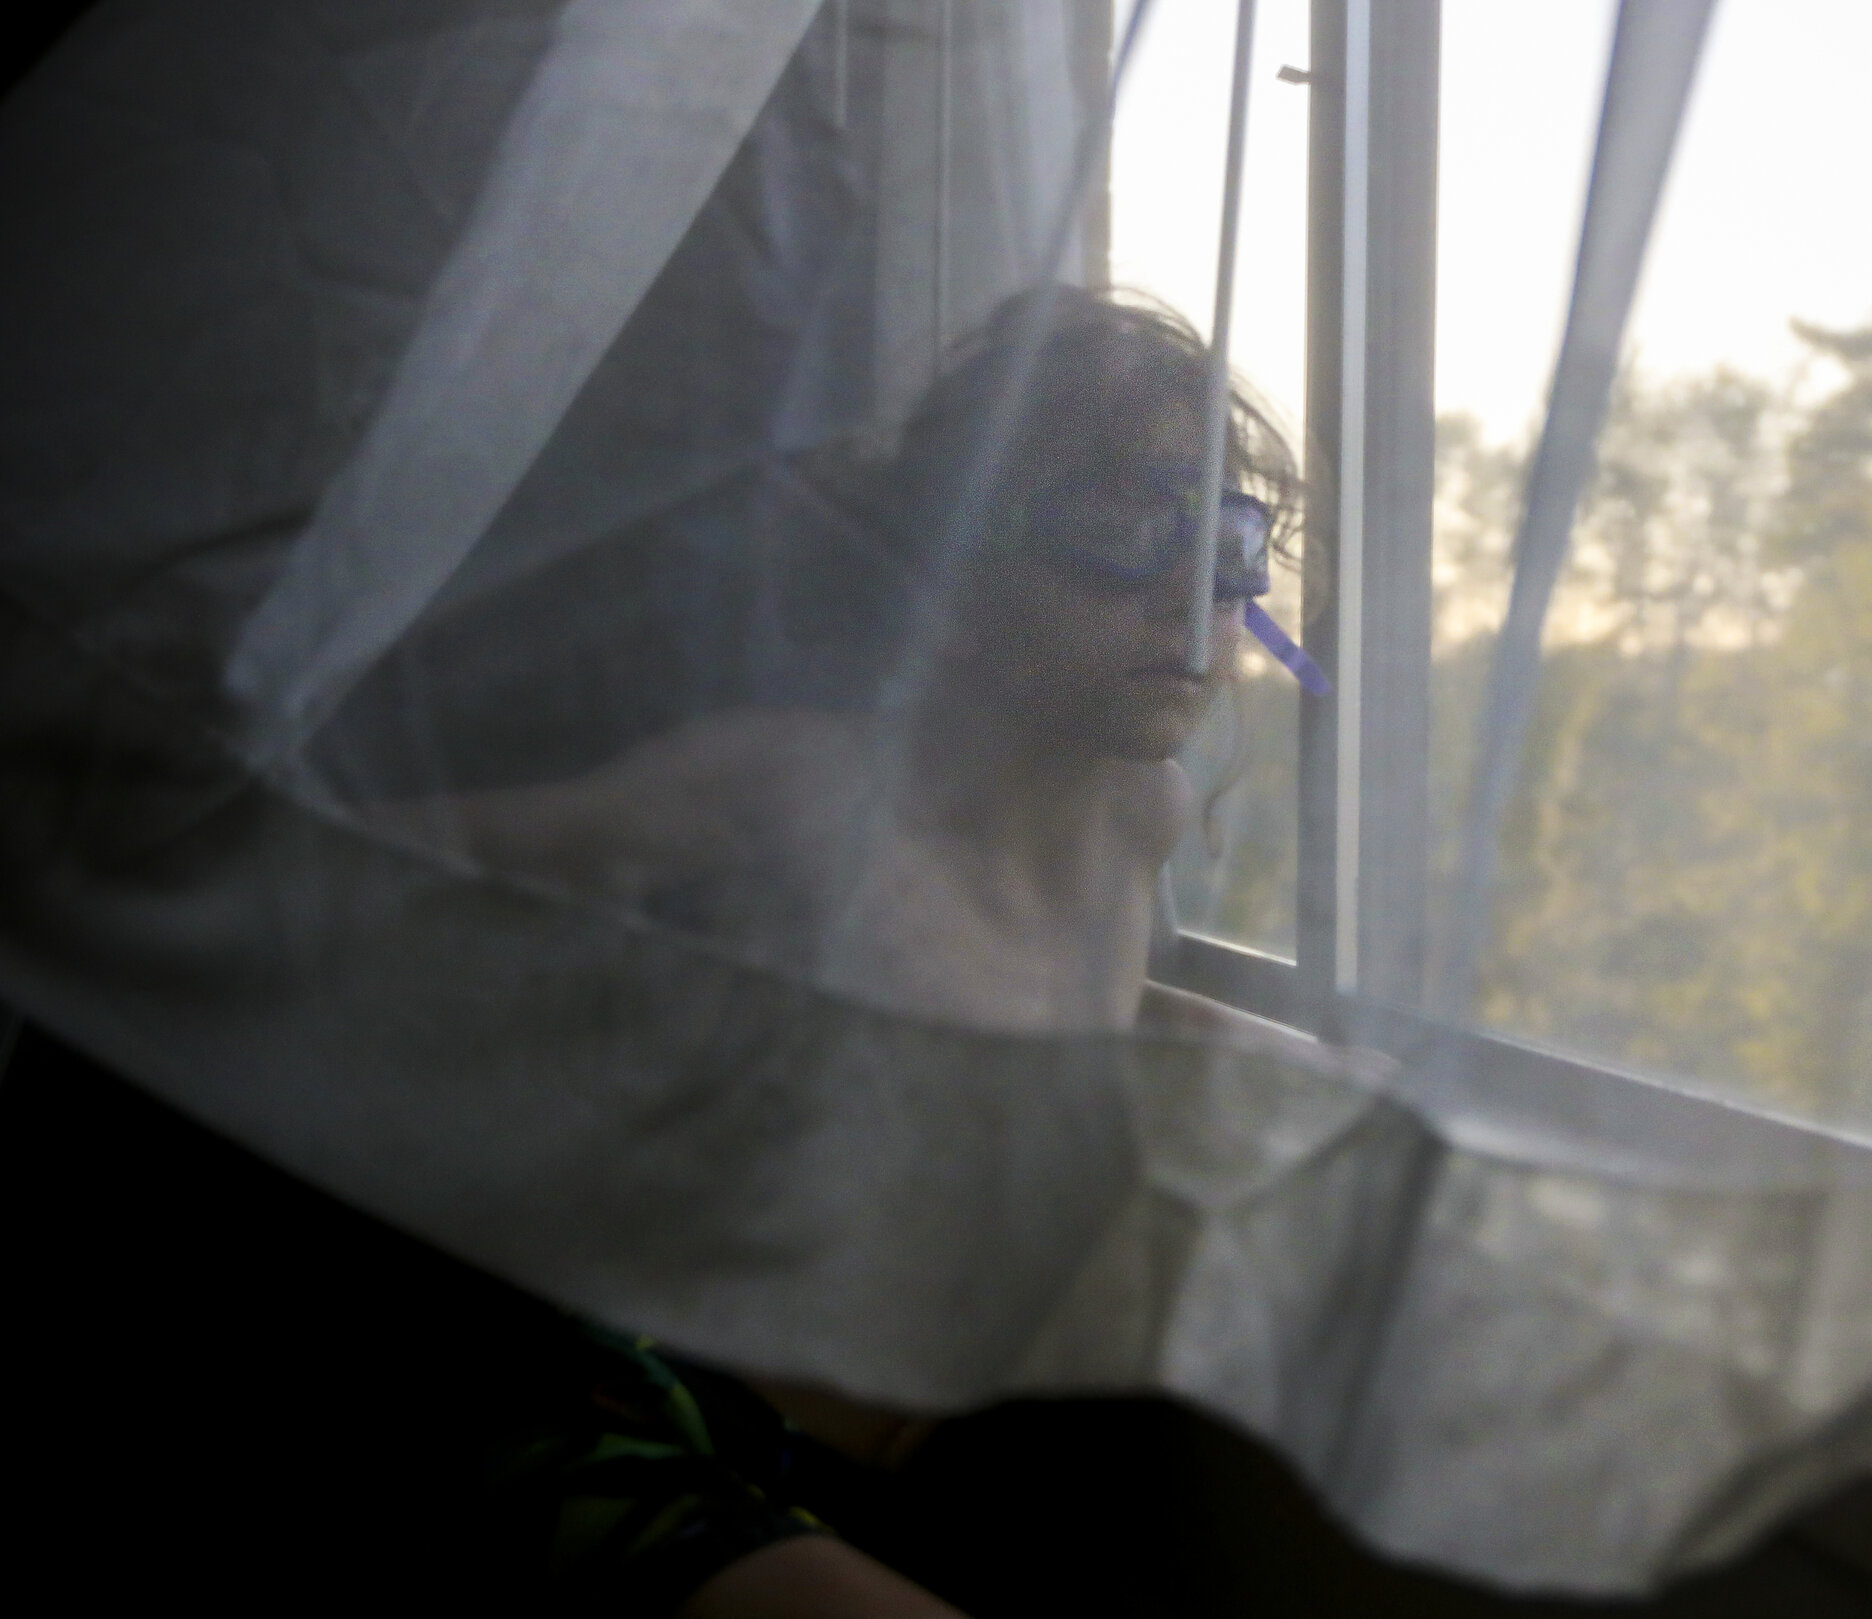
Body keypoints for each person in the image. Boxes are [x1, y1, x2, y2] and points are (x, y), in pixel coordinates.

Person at [361, 287, 1347, 1616]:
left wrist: (1278, 1062)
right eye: (1121, 528)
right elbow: (396, 870)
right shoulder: (797, 793)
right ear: (955, 552)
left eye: (1228, 540)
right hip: (644, 1414)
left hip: (930, 1436)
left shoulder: (1136, 811)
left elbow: (1056, 1002)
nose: (1191, 599)